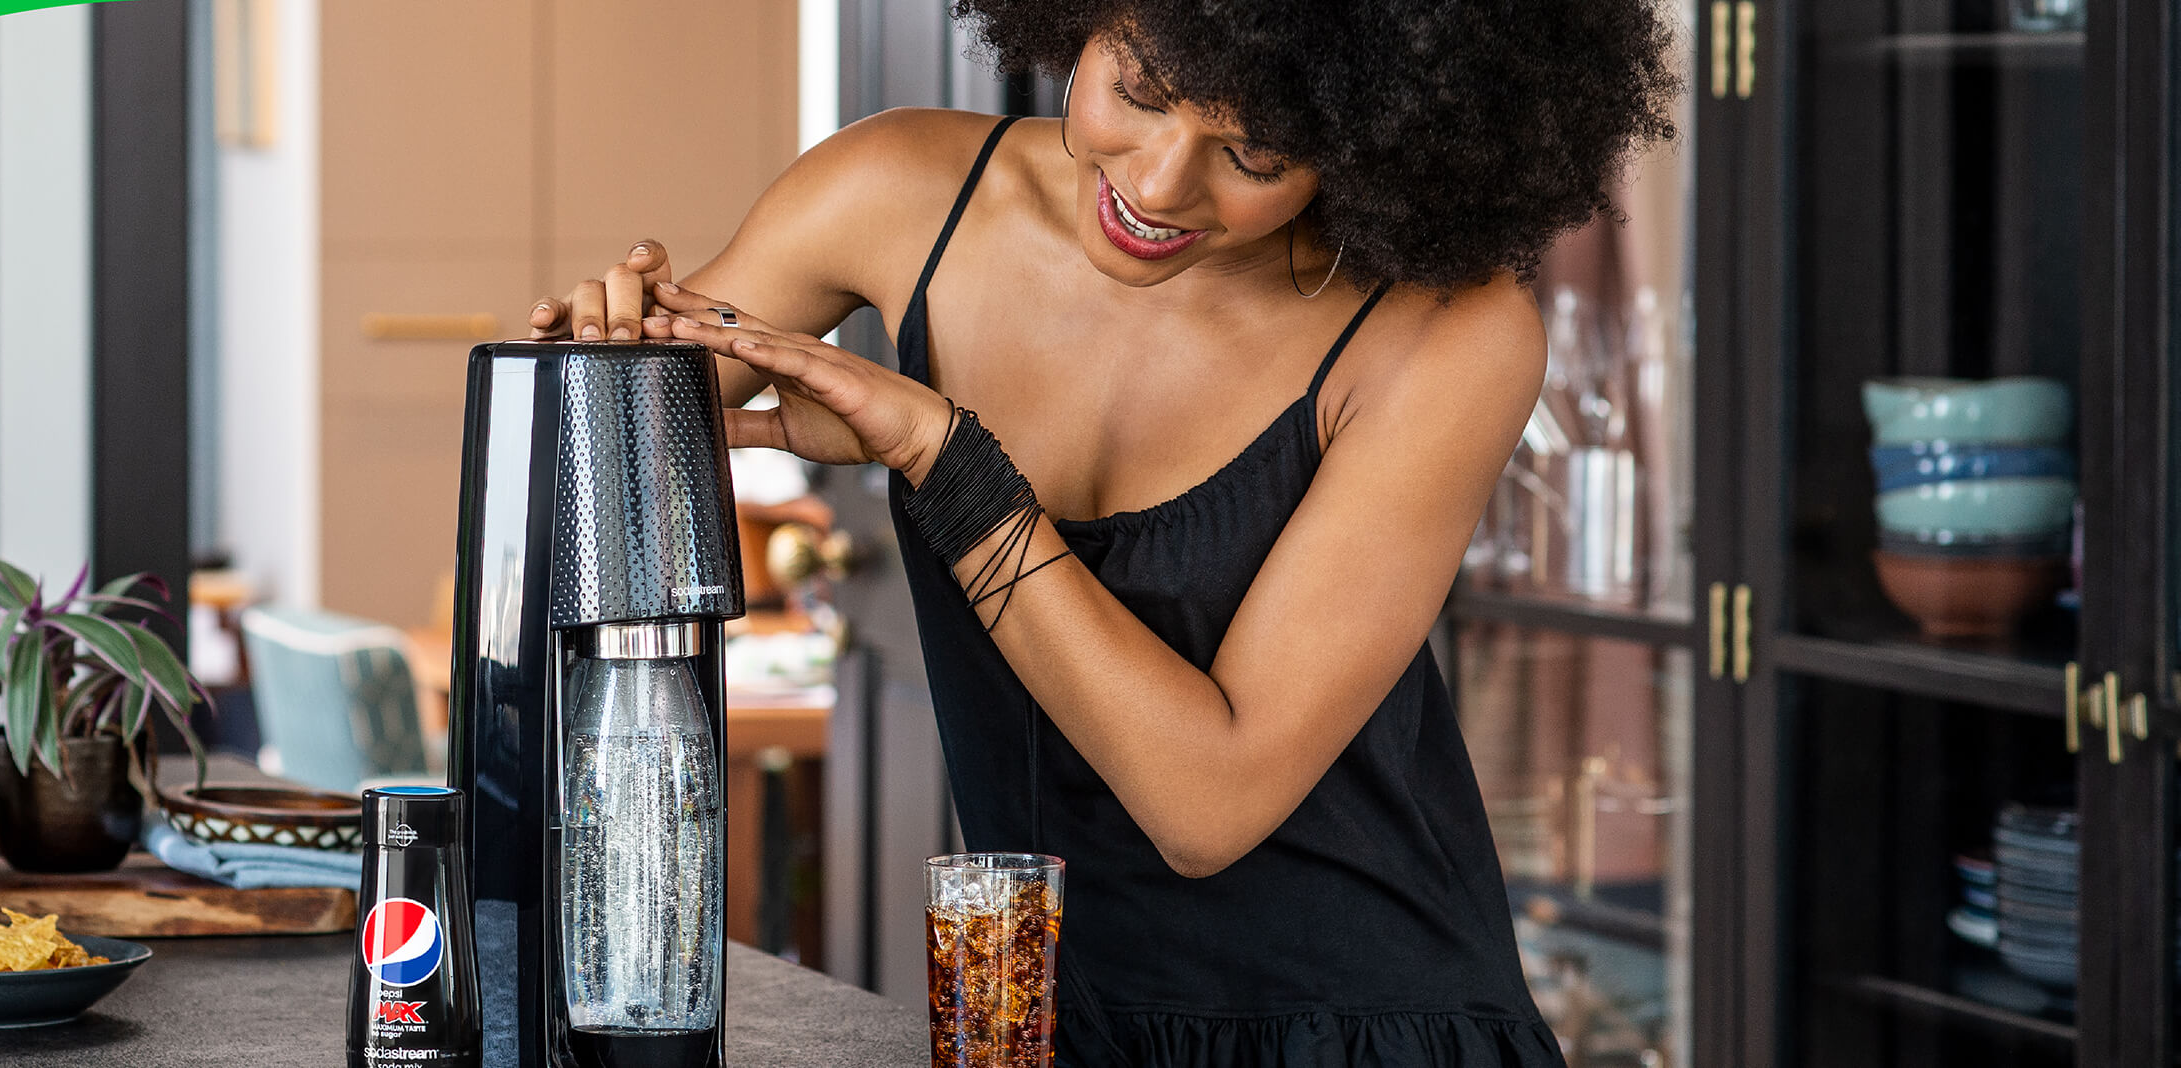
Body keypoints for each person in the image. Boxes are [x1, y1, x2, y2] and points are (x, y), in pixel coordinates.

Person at [530, 1, 1677, 1063]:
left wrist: (945, 460)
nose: (1163, 183)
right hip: (1030, 1015)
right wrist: (594, 365)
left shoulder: (1444, 329)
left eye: (1256, 155)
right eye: (1137, 89)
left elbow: (1206, 807)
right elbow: (601, 451)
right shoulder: (896, 189)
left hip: (1359, 1022)